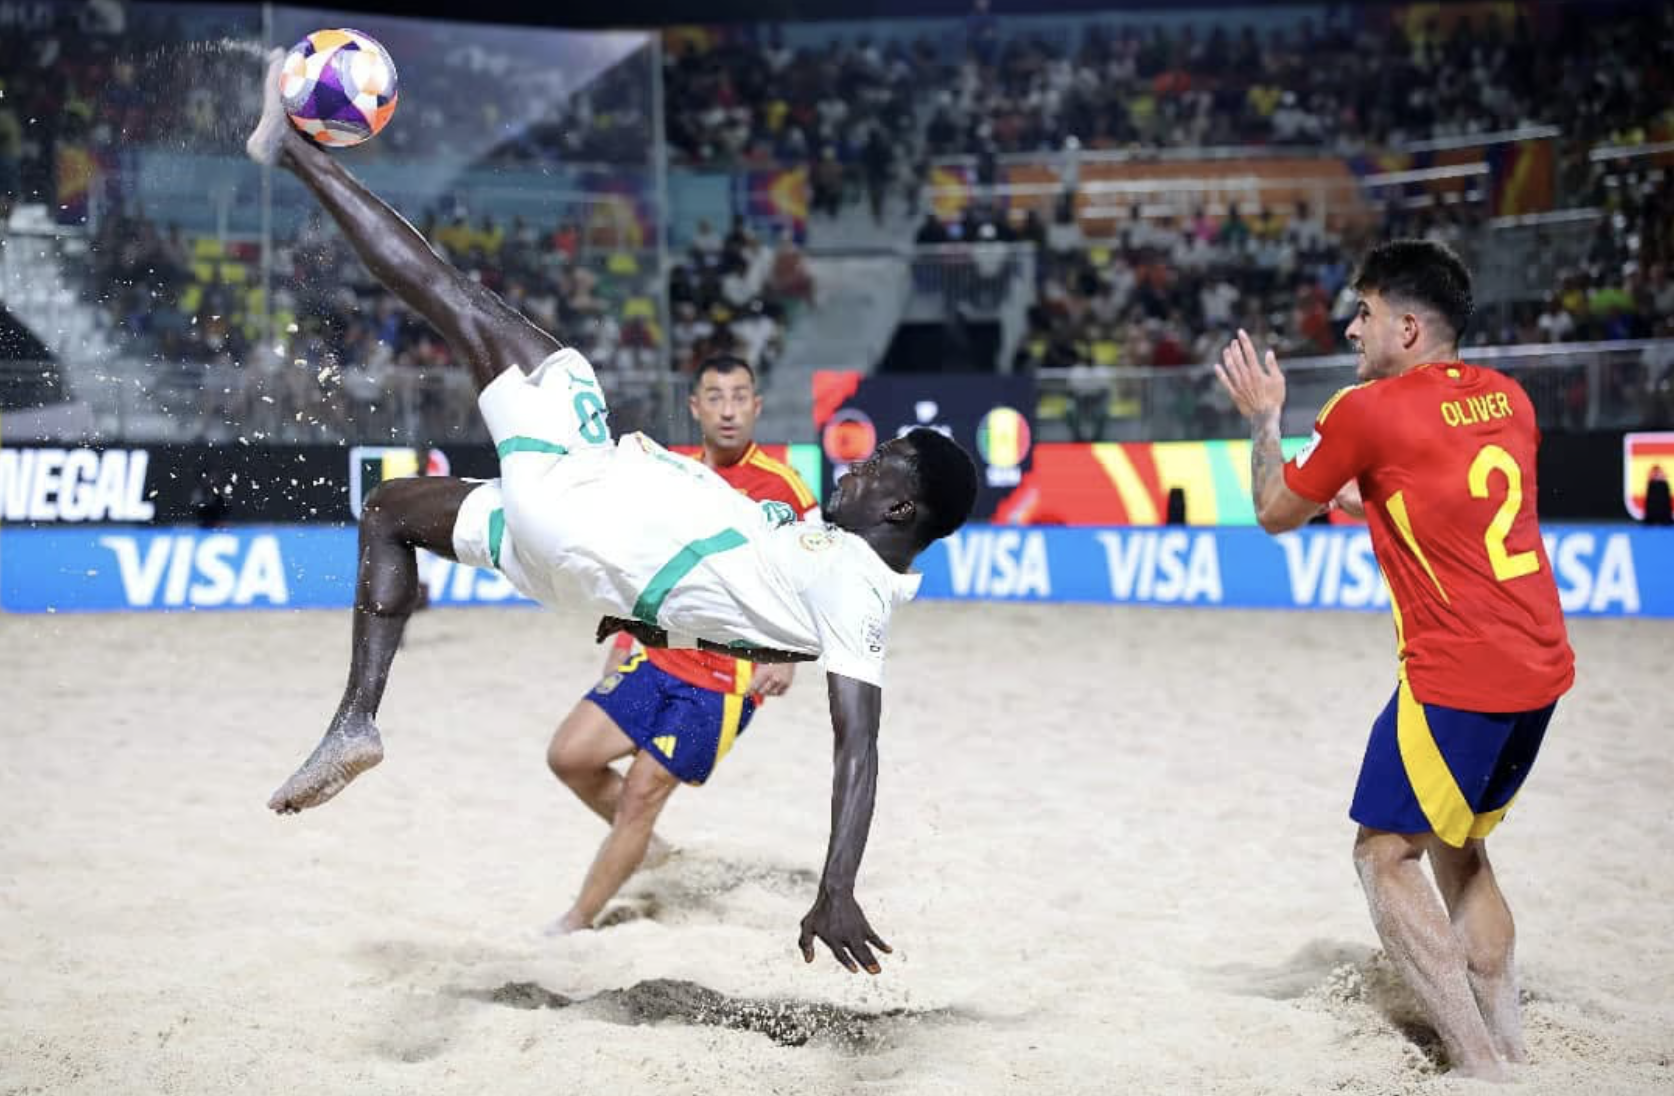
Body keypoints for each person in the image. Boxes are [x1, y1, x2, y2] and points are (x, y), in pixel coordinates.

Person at [246, 52, 979, 975]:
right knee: (390, 510)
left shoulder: (855, 586)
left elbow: (858, 751)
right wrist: (640, 614)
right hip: (576, 562)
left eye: (879, 467)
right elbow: (767, 639)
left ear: (903, 504)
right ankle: (353, 724)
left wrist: (836, 886)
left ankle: (295, 154)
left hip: (590, 507)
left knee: (461, 302)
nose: (858, 464)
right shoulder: (834, 566)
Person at [1214, 239, 1574, 1081]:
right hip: (1541, 668)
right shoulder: (1510, 401)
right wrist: (1360, 492)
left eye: (1365, 313)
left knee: (1383, 854)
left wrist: (1265, 419)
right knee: (1459, 847)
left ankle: (1479, 1062)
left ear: (1408, 328)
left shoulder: (1363, 410)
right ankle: (1512, 1042)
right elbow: (1441, 489)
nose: (1350, 329)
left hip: (1459, 675)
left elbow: (1274, 512)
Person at [546, 354, 819, 934]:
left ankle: (576, 921)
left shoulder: (783, 489)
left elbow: (817, 578)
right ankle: (649, 850)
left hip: (725, 680)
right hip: (658, 653)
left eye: (739, 396)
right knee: (569, 756)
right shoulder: (674, 479)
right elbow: (642, 569)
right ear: (695, 407)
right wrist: (623, 634)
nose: (728, 409)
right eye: (715, 397)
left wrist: (790, 656)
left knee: (642, 794)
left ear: (757, 406)